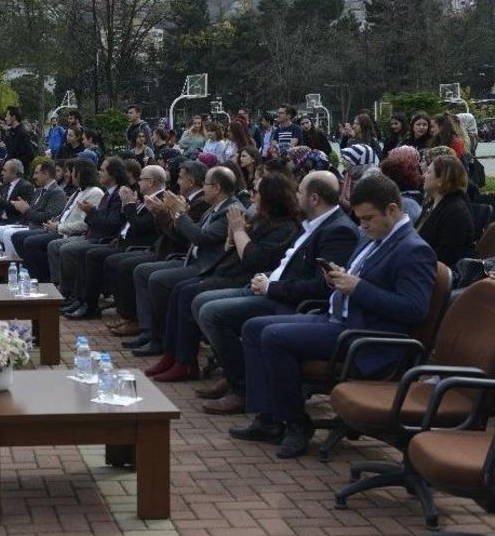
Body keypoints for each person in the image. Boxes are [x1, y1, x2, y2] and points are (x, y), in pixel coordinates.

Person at [232, 172, 436, 459]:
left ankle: (296, 423)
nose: (363, 226)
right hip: (337, 318)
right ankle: (268, 418)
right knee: (253, 327)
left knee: (274, 336)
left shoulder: (413, 250)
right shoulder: (377, 237)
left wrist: (358, 288)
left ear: (392, 210)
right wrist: (339, 278)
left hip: (365, 335)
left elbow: (414, 309)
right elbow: (363, 277)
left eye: (368, 219)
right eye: (360, 219)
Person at [192, 171, 358, 414]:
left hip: (290, 302)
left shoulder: (338, 230)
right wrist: (268, 277)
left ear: (314, 198)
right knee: (201, 302)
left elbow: (320, 287)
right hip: (271, 288)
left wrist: (271, 286)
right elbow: (288, 263)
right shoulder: (312, 224)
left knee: (211, 311)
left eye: (300, 190)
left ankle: (243, 388)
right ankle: (237, 374)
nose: (296, 195)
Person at [147, 172, 301, 383]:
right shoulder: (258, 218)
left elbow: (252, 258)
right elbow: (229, 246)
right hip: (227, 270)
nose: (252, 196)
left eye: (257, 192)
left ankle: (195, 364)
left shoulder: (279, 225)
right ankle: (173, 356)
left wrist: (236, 232)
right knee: (180, 290)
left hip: (246, 278)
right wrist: (232, 238)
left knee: (190, 293)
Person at [129, 164, 238, 357]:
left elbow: (199, 237)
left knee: (159, 280)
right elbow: (182, 233)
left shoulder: (229, 210)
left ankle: (162, 341)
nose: (203, 188)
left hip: (206, 266)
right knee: (146, 272)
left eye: (205, 184)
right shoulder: (213, 208)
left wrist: (178, 213)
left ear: (217, 188)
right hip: (191, 259)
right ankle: (153, 334)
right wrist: (165, 213)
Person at [78, 164, 168, 324]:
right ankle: (86, 303)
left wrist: (128, 204)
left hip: (139, 246)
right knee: (92, 254)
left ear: (151, 182)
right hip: (123, 242)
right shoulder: (146, 198)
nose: (138, 182)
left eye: (141, 179)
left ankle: (126, 315)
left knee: (109, 260)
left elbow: (139, 226)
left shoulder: (160, 200)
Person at [54, 157, 127, 317]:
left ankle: (87, 303)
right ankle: (78, 299)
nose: (99, 173)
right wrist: (91, 213)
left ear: (113, 174)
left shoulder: (119, 194)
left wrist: (90, 212)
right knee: (78, 250)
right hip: (96, 236)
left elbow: (112, 225)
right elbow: (98, 221)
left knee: (78, 250)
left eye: (103, 170)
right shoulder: (108, 194)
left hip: (107, 239)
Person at [12, 159, 103, 281]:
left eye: (72, 172)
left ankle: (44, 280)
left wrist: (58, 226)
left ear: (80, 174)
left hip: (70, 233)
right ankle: (35, 275)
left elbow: (84, 223)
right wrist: (56, 222)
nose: (69, 175)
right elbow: (66, 213)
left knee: (32, 242)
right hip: (58, 227)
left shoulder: (94, 193)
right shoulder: (79, 191)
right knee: (18, 237)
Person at [0, 160, 67, 257]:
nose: (33, 177)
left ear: (46, 174)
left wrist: (25, 210)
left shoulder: (57, 192)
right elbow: (30, 212)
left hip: (40, 227)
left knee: (8, 234)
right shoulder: (39, 190)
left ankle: (14, 266)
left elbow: (48, 217)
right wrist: (21, 208)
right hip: (27, 224)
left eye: (36, 173)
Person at [416, 154, 474, 266]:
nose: (423, 176)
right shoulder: (432, 204)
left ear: (441, 180)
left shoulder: (455, 212)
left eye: (428, 172)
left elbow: (445, 255)